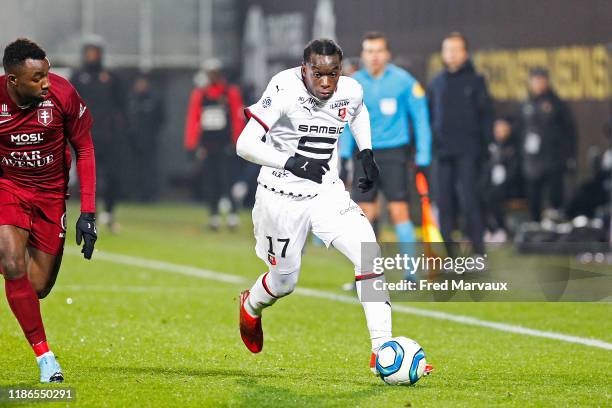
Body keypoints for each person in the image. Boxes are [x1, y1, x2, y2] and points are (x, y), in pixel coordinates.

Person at [235, 38, 432, 376]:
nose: (326, 83)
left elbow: (357, 112)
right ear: (304, 69)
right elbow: (244, 144)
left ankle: (381, 348)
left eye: (333, 74)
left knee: (368, 252)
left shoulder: (350, 89)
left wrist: (366, 152)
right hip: (279, 198)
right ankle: (251, 305)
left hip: (327, 193)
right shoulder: (282, 87)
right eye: (318, 74)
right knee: (284, 282)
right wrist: (290, 162)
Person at [0, 38, 98, 382]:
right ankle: (46, 359)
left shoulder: (62, 94)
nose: (46, 82)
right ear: (13, 80)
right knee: (11, 262)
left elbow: (84, 148)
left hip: (51, 195)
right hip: (8, 188)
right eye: (37, 77)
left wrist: (88, 213)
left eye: (47, 73)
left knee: (37, 286)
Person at [339, 32, 431, 277]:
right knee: (364, 215)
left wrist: (424, 155)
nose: (374, 56)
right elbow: (348, 122)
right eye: (369, 50)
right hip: (364, 155)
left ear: (387, 54)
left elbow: (421, 119)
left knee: (398, 210)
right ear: (363, 54)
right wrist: (343, 155)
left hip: (394, 154)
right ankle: (366, 274)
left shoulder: (404, 81)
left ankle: (411, 274)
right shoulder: (354, 84)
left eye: (378, 50)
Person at [427, 32, 493, 255]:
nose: (452, 54)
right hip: (442, 153)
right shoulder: (436, 83)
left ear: (465, 53)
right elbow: (429, 117)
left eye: (456, 49)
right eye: (448, 50)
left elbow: (486, 117)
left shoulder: (476, 81)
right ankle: (450, 256)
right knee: (444, 205)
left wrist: (486, 149)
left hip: (469, 152)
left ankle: (478, 252)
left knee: (470, 202)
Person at [184, 59, 245, 230]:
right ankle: (214, 215)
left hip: (225, 144)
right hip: (207, 145)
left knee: (228, 179)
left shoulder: (230, 92)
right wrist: (191, 144)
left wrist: (237, 142)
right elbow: (193, 119)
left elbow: (237, 117)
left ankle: (233, 214)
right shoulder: (200, 94)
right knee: (210, 181)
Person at [71, 37, 123, 233]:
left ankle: (109, 213)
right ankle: (89, 215)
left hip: (109, 136)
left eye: (95, 51)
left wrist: (118, 128)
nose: (92, 55)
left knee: (112, 175)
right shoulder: (78, 76)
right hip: (85, 136)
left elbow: (121, 106)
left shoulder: (110, 77)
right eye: (89, 51)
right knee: (87, 178)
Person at [520, 67, 577, 222]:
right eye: (535, 80)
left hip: (553, 158)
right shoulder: (526, 103)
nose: (538, 84)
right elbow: (521, 130)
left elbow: (569, 132)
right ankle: (534, 226)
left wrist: (569, 156)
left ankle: (553, 227)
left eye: (541, 80)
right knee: (533, 196)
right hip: (532, 160)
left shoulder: (556, 103)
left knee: (554, 195)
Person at [483, 117, 522, 242]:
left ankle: (501, 229)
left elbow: (515, 170)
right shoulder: (491, 146)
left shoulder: (514, 146)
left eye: (502, 128)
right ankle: (489, 228)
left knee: (493, 196)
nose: (499, 131)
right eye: (497, 128)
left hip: (512, 186)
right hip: (492, 185)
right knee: (480, 193)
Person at [127, 73, 164, 202]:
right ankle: (135, 194)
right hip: (133, 140)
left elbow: (161, 119)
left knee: (150, 168)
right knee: (134, 168)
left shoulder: (154, 99)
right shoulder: (131, 99)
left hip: (149, 140)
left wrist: (152, 133)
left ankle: (150, 195)